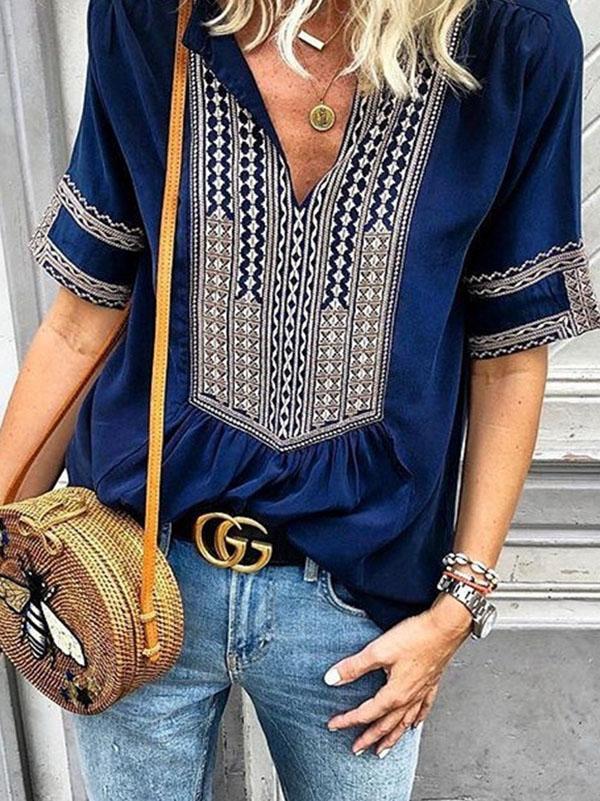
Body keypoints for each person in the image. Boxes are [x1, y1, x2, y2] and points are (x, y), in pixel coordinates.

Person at [1, 0, 598, 798]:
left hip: (359, 607)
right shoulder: (153, 17)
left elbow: (509, 354)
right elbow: (82, 321)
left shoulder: (512, 37)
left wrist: (460, 605)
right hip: (129, 577)